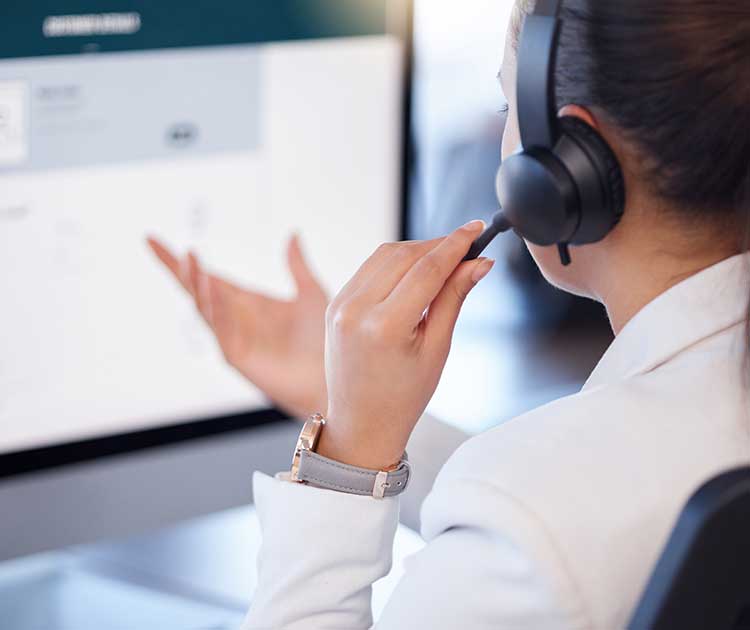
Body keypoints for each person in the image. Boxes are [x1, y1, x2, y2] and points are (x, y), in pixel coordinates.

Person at [148, 0, 750, 627]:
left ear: (574, 161)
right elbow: (569, 494)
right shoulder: (573, 485)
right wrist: (347, 402)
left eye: (505, 109)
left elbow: (539, 514)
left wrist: (345, 460)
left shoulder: (535, 515)